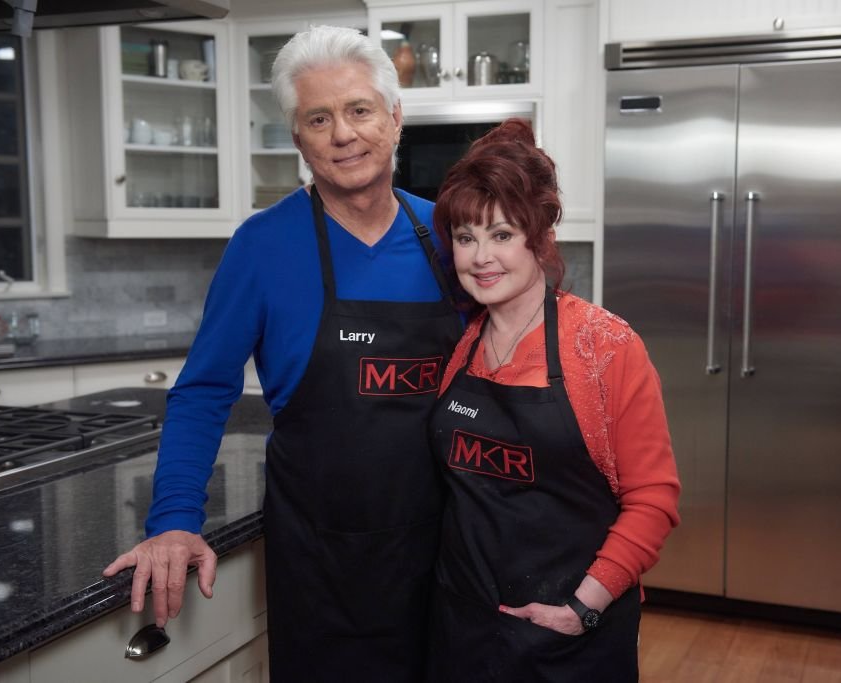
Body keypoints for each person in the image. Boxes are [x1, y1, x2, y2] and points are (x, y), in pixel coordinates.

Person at [103, 25, 462, 682]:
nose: (343, 134)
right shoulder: (261, 247)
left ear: (395, 117)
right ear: (298, 137)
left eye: (359, 110)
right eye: (318, 118)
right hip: (323, 559)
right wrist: (175, 518)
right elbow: (205, 389)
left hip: (451, 548)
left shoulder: (449, 237)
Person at [425, 118, 681, 682]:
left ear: (539, 237)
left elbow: (654, 499)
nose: (481, 257)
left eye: (502, 234)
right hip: (462, 629)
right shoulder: (461, 346)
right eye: (466, 238)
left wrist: (583, 607)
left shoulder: (605, 347)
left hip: (569, 637)